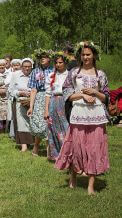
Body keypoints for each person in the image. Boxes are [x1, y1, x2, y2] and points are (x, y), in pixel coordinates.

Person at [55, 41, 110, 195]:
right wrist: (83, 95)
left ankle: (90, 186)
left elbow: (106, 97)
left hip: (96, 116)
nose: (85, 57)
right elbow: (67, 94)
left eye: (88, 54)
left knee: (94, 149)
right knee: (76, 148)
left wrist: (94, 93)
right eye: (83, 54)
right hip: (78, 114)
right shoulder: (73, 73)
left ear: (94, 56)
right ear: (80, 55)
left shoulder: (101, 74)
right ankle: (73, 178)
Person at [27, 49, 53, 156]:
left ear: (49, 59)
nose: (42, 59)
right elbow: (33, 90)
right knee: (39, 123)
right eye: (40, 57)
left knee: (49, 123)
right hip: (39, 98)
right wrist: (31, 106)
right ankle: (36, 146)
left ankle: (49, 149)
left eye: (45, 56)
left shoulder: (54, 70)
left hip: (52, 97)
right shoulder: (35, 71)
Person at [44, 52, 69, 160]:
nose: (58, 65)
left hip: (66, 102)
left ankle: (67, 153)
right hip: (54, 102)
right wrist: (46, 110)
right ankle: (56, 154)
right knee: (53, 127)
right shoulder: (51, 75)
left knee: (66, 127)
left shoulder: (70, 74)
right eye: (56, 63)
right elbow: (48, 93)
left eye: (60, 62)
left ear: (65, 63)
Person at [10, 58, 34, 151]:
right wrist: (20, 93)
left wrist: (30, 94)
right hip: (20, 101)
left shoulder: (34, 75)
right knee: (21, 123)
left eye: (29, 67)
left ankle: (31, 142)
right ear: (21, 67)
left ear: (31, 67)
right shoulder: (15, 75)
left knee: (31, 122)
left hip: (32, 101)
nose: (27, 69)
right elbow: (11, 90)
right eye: (25, 67)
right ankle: (24, 145)